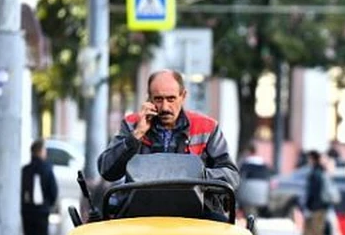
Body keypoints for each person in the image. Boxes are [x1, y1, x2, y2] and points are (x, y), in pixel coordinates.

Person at [97, 69, 239, 220]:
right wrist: (136, 135)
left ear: (183, 96)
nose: (165, 107)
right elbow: (107, 170)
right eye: (158, 99)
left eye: (171, 99)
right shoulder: (132, 125)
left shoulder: (206, 127)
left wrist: (197, 175)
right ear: (149, 99)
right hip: (139, 214)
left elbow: (231, 176)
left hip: (197, 215)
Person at [21, 138, 59, 235]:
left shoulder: (25, 170)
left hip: (27, 210)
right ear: (41, 151)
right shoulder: (47, 168)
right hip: (42, 212)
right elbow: (53, 191)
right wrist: (49, 205)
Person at [300, 151, 343, 235]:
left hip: (316, 209)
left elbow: (313, 194)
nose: (308, 161)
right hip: (319, 208)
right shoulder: (320, 172)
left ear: (313, 159)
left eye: (309, 159)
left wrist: (308, 208)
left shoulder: (316, 173)